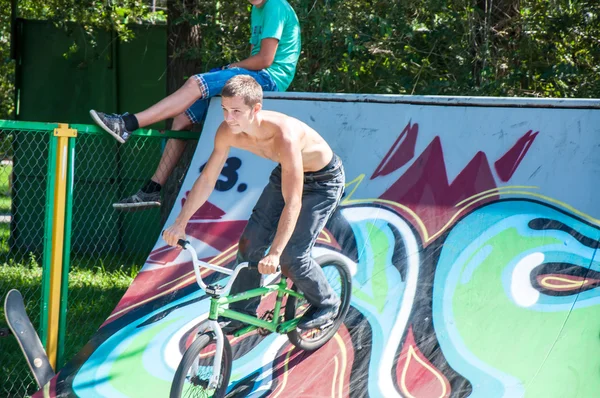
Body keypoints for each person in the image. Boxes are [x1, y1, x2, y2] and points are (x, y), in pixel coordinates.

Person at [162, 75, 345, 332]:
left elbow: (293, 202)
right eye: (225, 110)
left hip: (323, 183)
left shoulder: (285, 137)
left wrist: (276, 252)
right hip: (286, 173)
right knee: (250, 243)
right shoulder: (227, 132)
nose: (228, 118)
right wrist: (180, 223)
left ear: (255, 109)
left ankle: (327, 304)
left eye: (236, 111)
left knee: (292, 257)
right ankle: (241, 314)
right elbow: (207, 179)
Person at [89, 0, 301, 210]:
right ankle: (152, 189)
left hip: (268, 79)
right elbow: (254, 56)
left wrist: (230, 67)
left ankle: (127, 124)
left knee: (195, 82)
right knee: (182, 119)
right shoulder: (257, 9)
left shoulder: (275, 5)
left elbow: (264, 59)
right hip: (256, 76)